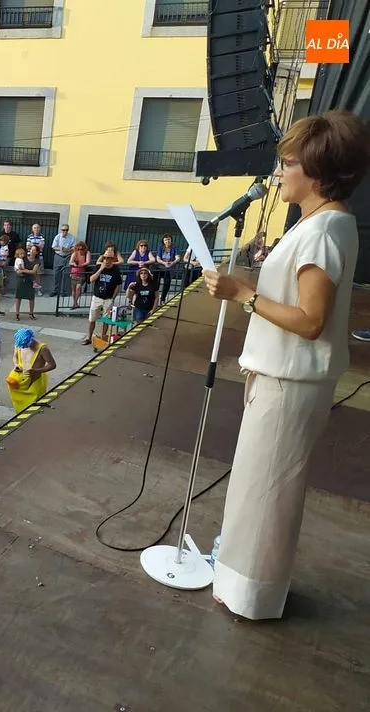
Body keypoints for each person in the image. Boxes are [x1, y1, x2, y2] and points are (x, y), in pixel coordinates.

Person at [203, 110, 370, 620]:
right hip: (284, 377)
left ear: (317, 173)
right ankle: (241, 580)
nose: (278, 173)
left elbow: (311, 319)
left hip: (290, 380)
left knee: (268, 490)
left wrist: (243, 294)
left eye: (288, 163)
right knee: (259, 486)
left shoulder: (321, 231)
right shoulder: (320, 224)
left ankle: (253, 594)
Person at [6, 328, 56, 414]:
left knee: (34, 410)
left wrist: (37, 371)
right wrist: (16, 364)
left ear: (31, 339)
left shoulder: (43, 349)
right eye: (23, 346)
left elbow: (52, 365)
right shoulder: (19, 344)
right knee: (20, 409)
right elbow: (15, 357)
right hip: (21, 383)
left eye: (26, 345)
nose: (25, 347)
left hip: (34, 383)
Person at [82, 243, 123, 346]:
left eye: (109, 258)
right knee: (92, 318)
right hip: (97, 297)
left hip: (108, 298)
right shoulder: (99, 266)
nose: (107, 260)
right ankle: (89, 337)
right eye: (105, 258)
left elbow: (118, 285)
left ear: (112, 259)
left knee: (106, 320)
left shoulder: (115, 270)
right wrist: (101, 269)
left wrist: (113, 298)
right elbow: (91, 280)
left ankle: (103, 337)